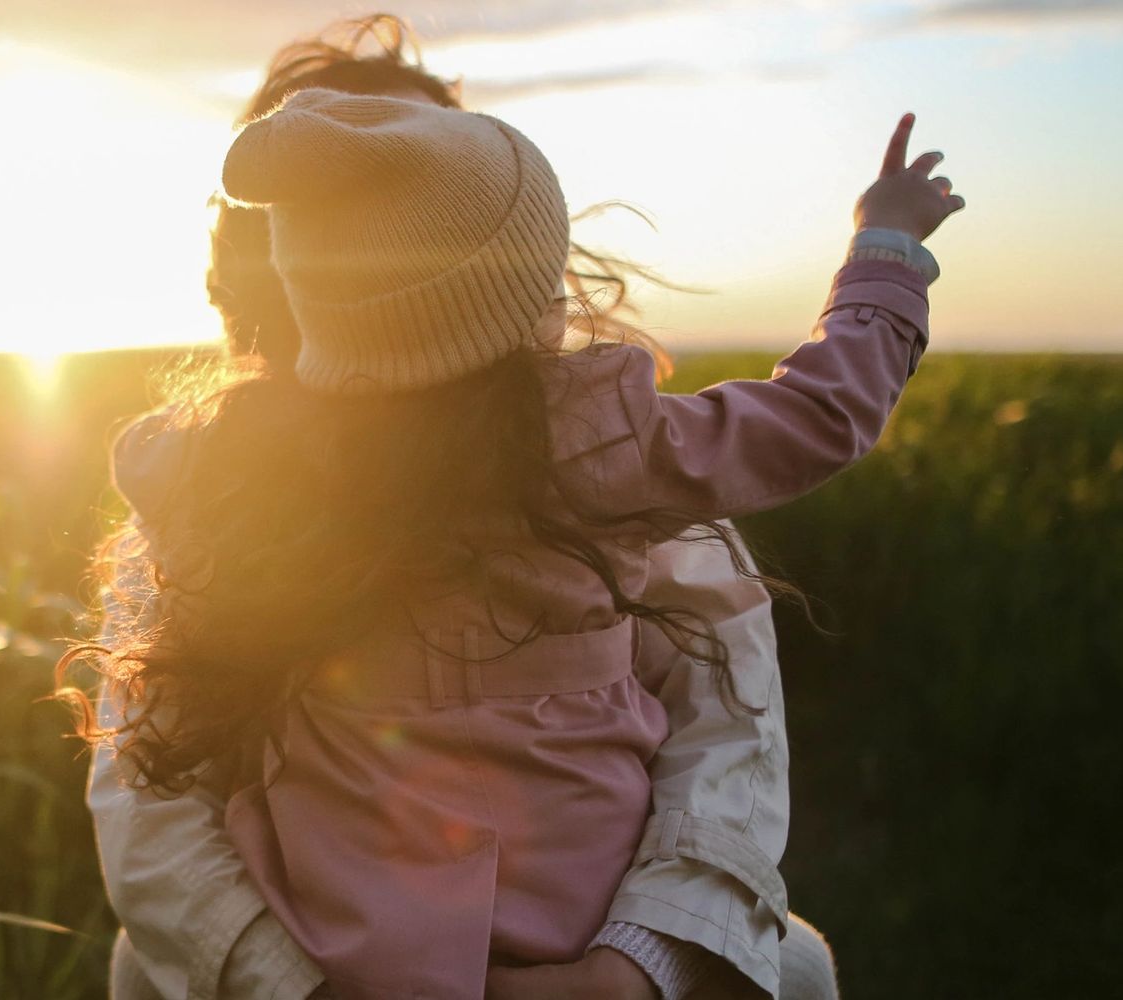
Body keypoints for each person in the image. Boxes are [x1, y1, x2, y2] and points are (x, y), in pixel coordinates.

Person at [75, 17, 960, 999]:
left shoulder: (222, 467)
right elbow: (151, 811)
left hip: (530, 946)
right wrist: (884, 252)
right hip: (325, 961)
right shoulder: (605, 449)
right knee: (144, 965)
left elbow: (725, 729)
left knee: (792, 966)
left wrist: (631, 970)